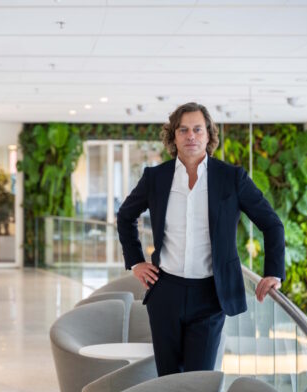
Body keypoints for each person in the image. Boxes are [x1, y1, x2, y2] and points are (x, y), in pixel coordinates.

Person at [116, 102, 285, 376]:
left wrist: (273, 272)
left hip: (210, 295)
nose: (190, 136)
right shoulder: (156, 177)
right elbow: (125, 216)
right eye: (183, 130)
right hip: (165, 291)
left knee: (199, 381)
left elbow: (272, 224)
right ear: (173, 137)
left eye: (197, 129)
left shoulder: (232, 178)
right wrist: (135, 262)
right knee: (168, 380)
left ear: (209, 135)